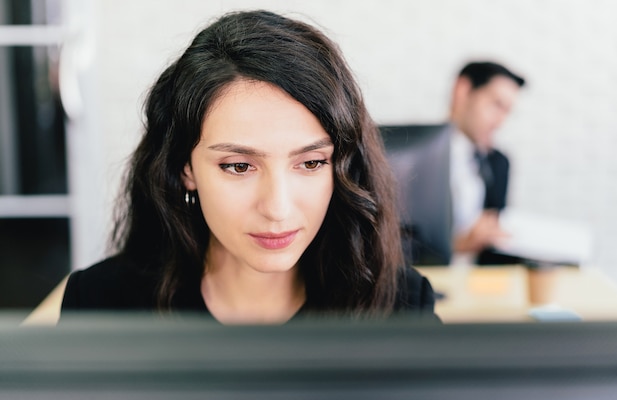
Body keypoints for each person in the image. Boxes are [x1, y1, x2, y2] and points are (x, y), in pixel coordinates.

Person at [60, 10, 436, 323]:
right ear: (185, 168)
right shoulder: (99, 303)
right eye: (239, 166)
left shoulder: (401, 307)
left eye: (310, 162)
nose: (277, 208)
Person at [448, 61, 525, 264]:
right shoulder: (413, 154)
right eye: (496, 104)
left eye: (507, 111)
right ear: (463, 91)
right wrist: (456, 243)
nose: (500, 121)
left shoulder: (498, 162)